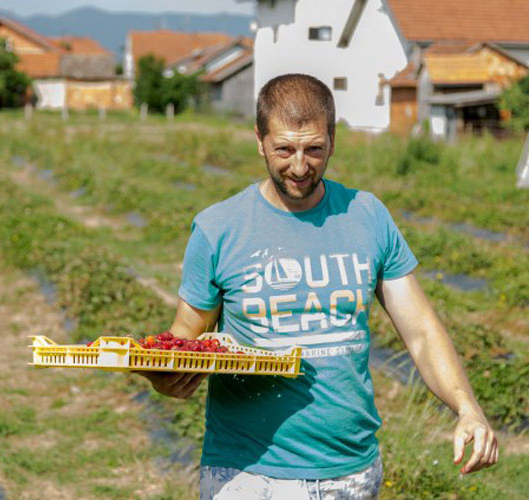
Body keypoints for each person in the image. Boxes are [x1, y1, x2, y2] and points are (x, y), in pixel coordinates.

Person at [138, 74, 498, 499]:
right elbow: (185, 336)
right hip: (247, 473)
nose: (299, 166)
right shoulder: (219, 228)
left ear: (333, 140)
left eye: (314, 149)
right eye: (283, 150)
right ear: (259, 140)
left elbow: (420, 331)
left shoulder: (366, 215)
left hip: (350, 472)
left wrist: (467, 407)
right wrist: (163, 375)